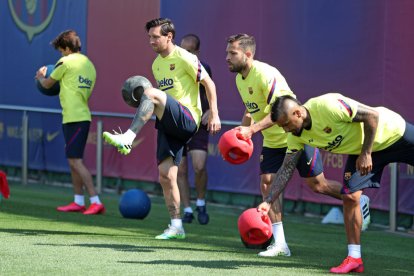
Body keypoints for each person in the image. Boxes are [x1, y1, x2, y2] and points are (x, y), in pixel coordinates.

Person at [225, 34, 370, 257]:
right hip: (272, 142)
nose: (227, 57)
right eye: (227, 53)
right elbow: (251, 109)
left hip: (298, 135)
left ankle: (359, 200)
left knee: (318, 185)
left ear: (247, 54)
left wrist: (252, 129)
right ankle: (280, 244)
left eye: (232, 53)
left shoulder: (265, 74)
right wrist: (245, 132)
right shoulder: (239, 80)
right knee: (267, 183)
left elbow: (281, 112)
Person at [257, 93, 414, 273]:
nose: (285, 130)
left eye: (286, 124)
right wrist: (268, 200)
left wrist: (366, 153)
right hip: (363, 149)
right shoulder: (296, 137)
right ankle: (354, 258)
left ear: (298, 113)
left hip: (392, 132)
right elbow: (286, 170)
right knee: (349, 196)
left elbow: (372, 116)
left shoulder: (327, 106)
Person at [102, 18, 221, 239]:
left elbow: (209, 84)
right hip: (169, 122)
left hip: (188, 119)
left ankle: (128, 137)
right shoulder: (156, 64)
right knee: (166, 175)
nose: (151, 41)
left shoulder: (186, 57)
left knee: (151, 92)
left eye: (155, 36)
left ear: (169, 36)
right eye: (149, 37)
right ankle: (177, 226)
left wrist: (213, 112)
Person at [35, 30, 105, 215]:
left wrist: (41, 76)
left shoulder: (65, 62)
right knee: (74, 160)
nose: (60, 54)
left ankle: (96, 201)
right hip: (79, 117)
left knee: (75, 161)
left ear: (67, 48)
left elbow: (48, 84)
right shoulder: (89, 64)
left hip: (75, 118)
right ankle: (78, 201)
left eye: (61, 51)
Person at [177, 34, 211, 225]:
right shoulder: (173, 67)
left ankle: (201, 203)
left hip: (199, 125)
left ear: (197, 52)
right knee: (180, 170)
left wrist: (211, 112)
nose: (184, 54)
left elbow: (210, 90)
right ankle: (187, 209)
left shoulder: (204, 68)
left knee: (199, 167)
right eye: (182, 50)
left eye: (189, 51)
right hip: (180, 124)